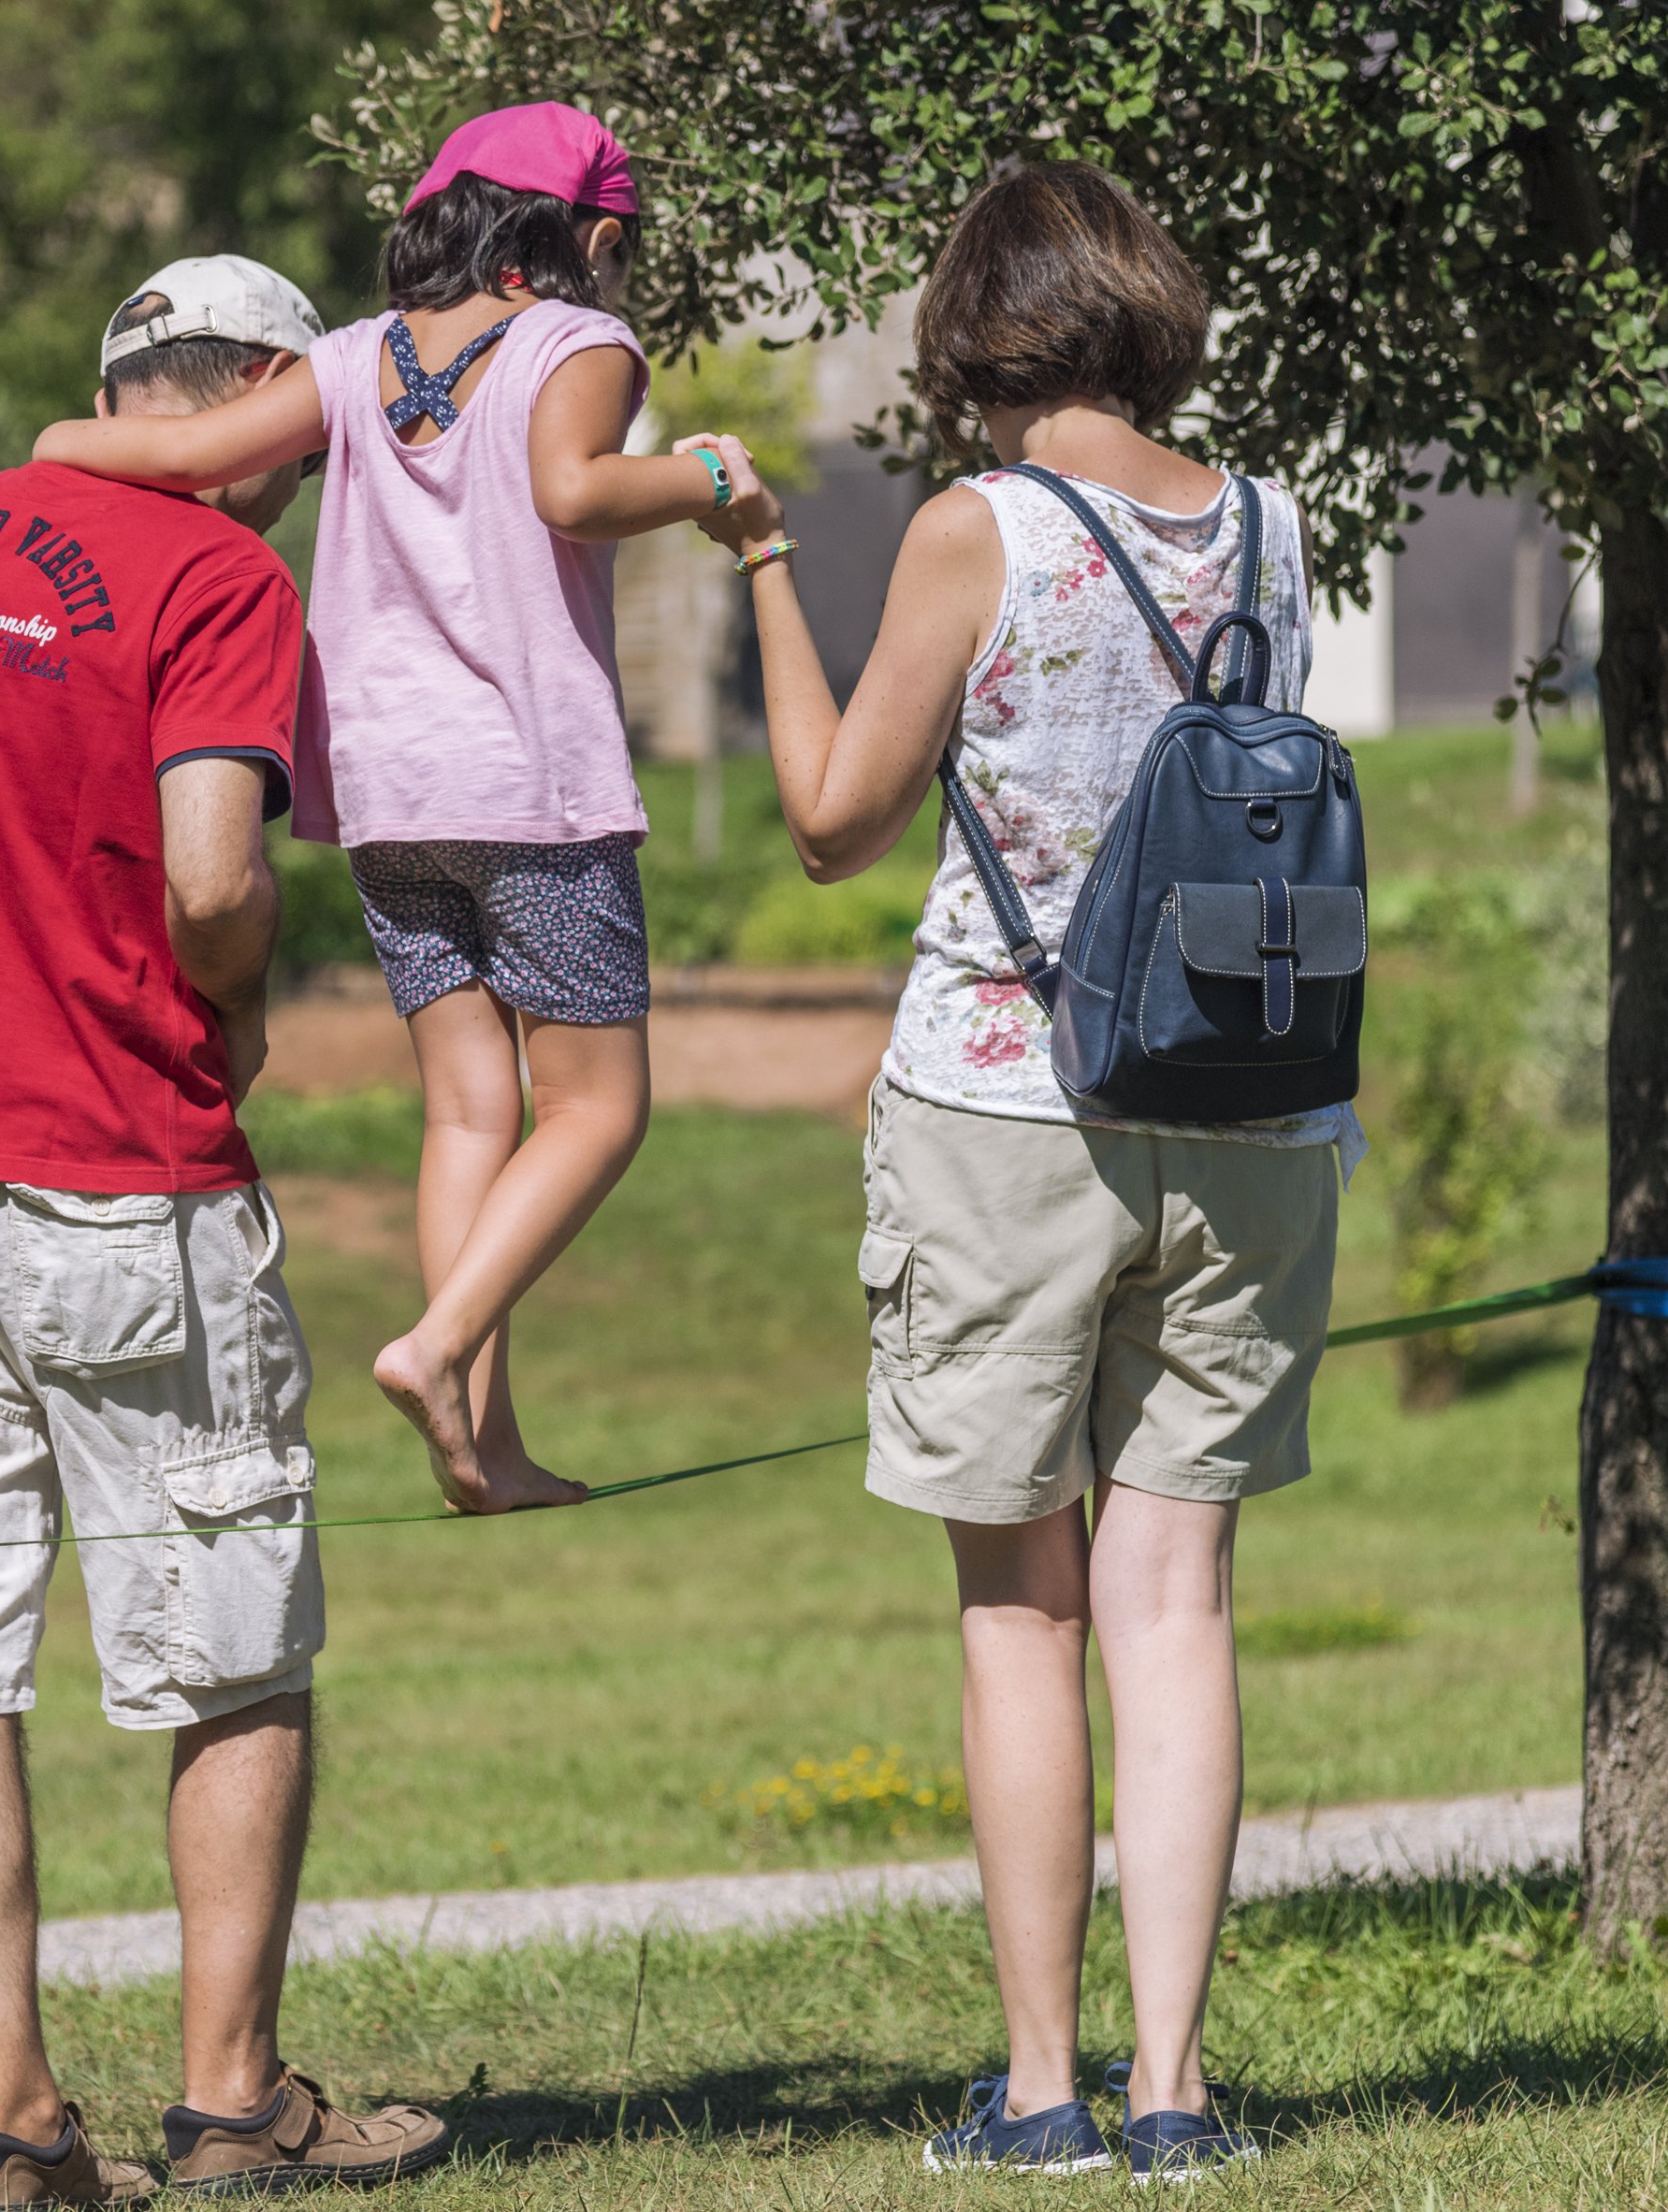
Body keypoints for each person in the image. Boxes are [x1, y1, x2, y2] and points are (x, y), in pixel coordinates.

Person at [697, 163, 1357, 2184]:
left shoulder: (974, 531)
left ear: (975, 331)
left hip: (1006, 1106)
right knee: (1177, 1601)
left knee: (1019, 1612)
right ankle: (1175, 2095)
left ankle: (1040, 2091)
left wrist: (750, 566)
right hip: (1247, 1111)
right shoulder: (1266, 521)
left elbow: (824, 818)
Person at [0, 253, 450, 2210]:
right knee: (229, 1639)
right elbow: (208, 867)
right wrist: (241, 994)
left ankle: (8, 2130)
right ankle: (232, 2101)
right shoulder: (213, 577)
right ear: (257, 391)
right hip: (111, 1156)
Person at [30, 106, 765, 1517]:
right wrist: (714, 480)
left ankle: (487, 1449)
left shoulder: (356, 357)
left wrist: (62, 437)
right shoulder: (580, 343)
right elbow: (576, 490)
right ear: (596, 240)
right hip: (532, 790)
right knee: (600, 1110)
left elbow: (186, 458)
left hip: (383, 798)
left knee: (468, 1108)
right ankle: (434, 1347)